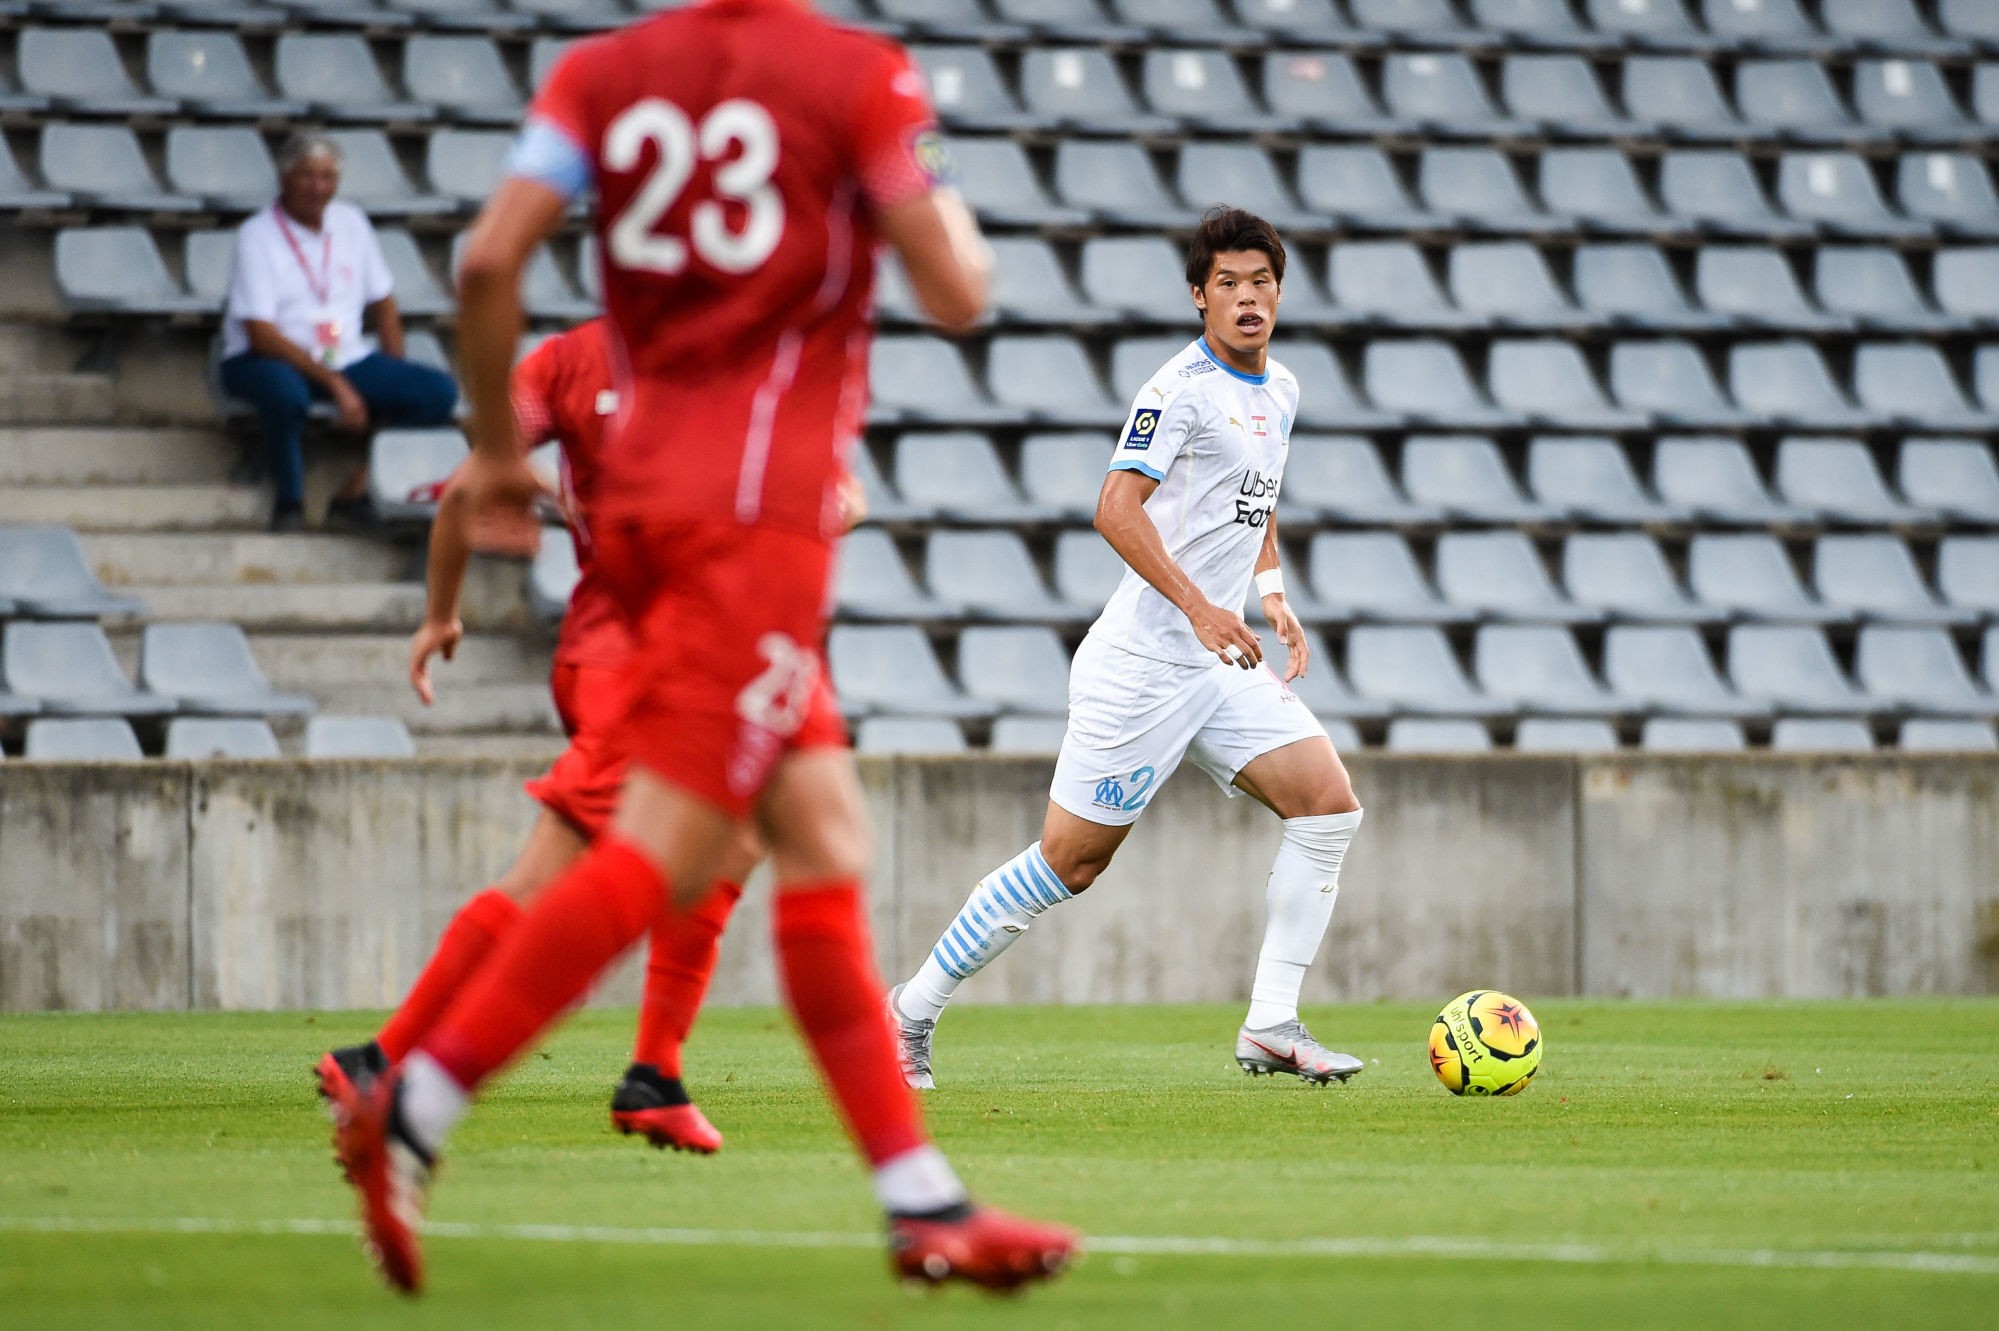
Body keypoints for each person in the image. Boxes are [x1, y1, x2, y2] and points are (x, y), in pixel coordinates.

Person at [325, 0, 1077, 1297]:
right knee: (664, 850)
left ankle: (919, 1199)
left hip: (653, 517)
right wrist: (930, 175)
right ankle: (414, 1099)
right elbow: (955, 290)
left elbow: (489, 261)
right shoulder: (853, 74)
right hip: (755, 512)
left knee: (820, 830)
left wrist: (500, 457)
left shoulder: (603, 75)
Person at [888, 208, 1366, 1090]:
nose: (1246, 297)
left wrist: (1271, 597)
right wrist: (1195, 606)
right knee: (1068, 863)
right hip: (1143, 665)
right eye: (1226, 283)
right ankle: (910, 1009)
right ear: (1198, 297)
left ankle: (1270, 1022)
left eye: (1260, 281)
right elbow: (1113, 507)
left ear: (1279, 291)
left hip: (1218, 661)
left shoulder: (1282, 390)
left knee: (1328, 806)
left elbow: (1249, 501)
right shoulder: (1177, 389)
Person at [316, 317, 808, 1154]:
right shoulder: (726, 360)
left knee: (743, 831)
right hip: (642, 666)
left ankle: (654, 1074)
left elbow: (473, 482)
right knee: (557, 872)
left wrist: (441, 612)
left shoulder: (566, 360)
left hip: (609, 653)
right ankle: (384, 1059)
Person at [218, 133, 458, 532]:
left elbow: (384, 302)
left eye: (327, 177)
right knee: (285, 392)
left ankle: (356, 491)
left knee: (437, 392)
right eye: (308, 176)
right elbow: (261, 333)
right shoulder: (257, 235)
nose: (318, 187)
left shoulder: (351, 222)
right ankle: (289, 502)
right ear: (284, 178)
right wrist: (337, 385)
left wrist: (389, 375)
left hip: (340, 352)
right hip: (269, 356)